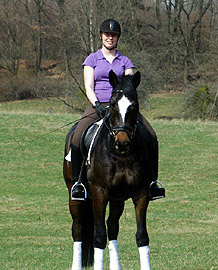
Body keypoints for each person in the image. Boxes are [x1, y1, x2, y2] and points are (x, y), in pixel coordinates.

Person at [69, 18, 165, 201]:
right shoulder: (92, 59)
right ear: (101, 36)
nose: (110, 38)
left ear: (117, 38)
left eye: (113, 35)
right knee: (76, 136)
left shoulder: (125, 62)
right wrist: (97, 104)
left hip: (123, 109)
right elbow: (89, 87)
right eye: (107, 34)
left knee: (151, 136)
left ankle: (152, 183)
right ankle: (78, 183)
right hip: (98, 106)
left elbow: (130, 87)